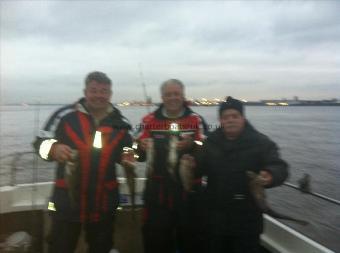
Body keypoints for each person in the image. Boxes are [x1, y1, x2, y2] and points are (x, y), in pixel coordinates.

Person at [33, 71, 133, 253]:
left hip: (104, 204)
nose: (99, 95)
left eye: (104, 91)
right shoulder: (64, 115)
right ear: (85, 92)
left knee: (101, 248)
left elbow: (128, 151)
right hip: (66, 203)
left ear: (110, 94)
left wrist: (131, 155)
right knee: (60, 247)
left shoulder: (121, 122)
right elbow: (39, 143)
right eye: (94, 90)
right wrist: (53, 149)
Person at [196, 96, 288, 253]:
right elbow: (199, 169)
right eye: (226, 117)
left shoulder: (261, 142)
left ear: (243, 118)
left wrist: (270, 175)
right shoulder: (210, 142)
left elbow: (280, 167)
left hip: (247, 223)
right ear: (220, 120)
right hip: (215, 221)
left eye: (235, 116)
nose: (230, 120)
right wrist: (191, 162)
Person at [135, 79, 208, 253]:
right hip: (157, 195)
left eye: (176, 94)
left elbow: (209, 154)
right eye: (168, 94)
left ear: (183, 96)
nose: (173, 98)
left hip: (189, 194)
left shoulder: (196, 120)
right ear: (162, 97)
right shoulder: (148, 120)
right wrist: (140, 147)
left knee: (191, 241)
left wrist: (193, 145)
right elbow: (136, 156)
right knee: (155, 242)